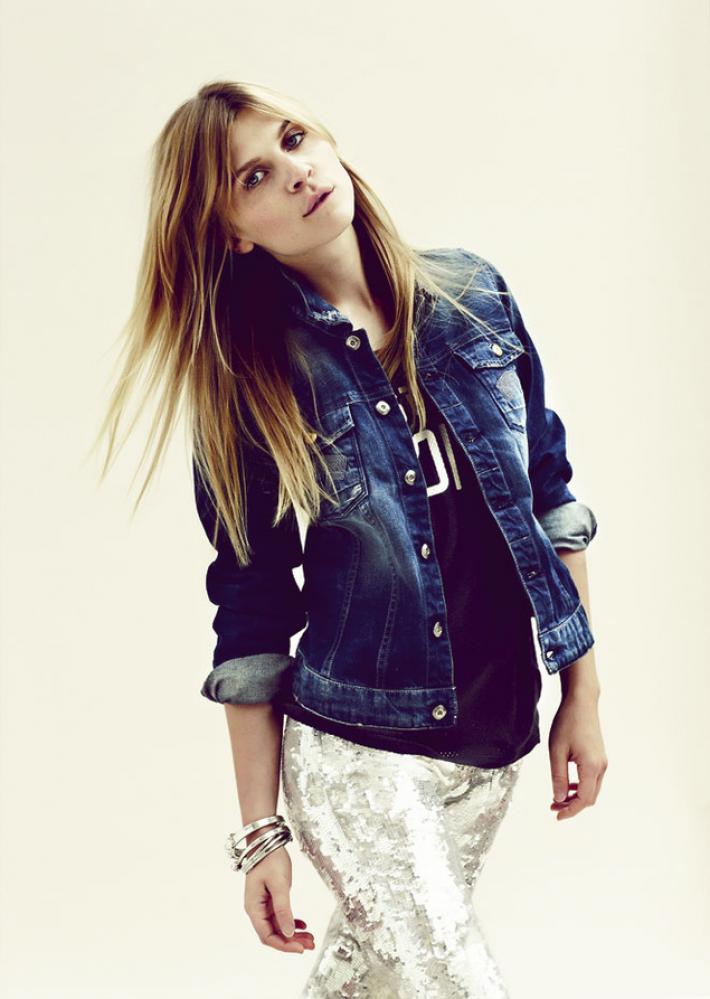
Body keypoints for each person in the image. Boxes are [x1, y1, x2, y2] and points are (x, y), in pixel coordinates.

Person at [94, 80, 608, 998]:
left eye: (294, 140)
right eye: (254, 176)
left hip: (494, 737)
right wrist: (262, 831)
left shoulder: (475, 293)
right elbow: (251, 610)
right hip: (356, 756)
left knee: (364, 984)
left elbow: (551, 499)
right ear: (231, 232)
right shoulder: (251, 379)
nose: (294, 172)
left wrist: (583, 690)